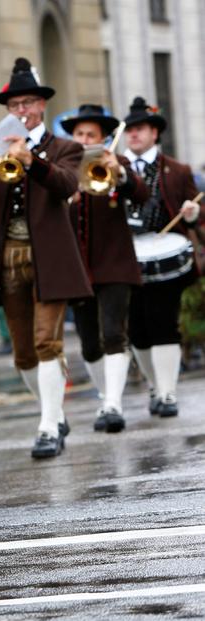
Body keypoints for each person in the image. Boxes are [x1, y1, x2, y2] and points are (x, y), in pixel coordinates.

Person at [0, 57, 91, 459]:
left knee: (47, 342)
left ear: (42, 106)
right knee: (24, 352)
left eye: (27, 104)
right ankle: (53, 412)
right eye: (14, 106)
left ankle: (47, 426)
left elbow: (65, 185)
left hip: (50, 258)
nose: (21, 111)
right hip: (7, 257)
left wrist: (32, 161)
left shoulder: (65, 147)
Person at [61, 104, 147, 432]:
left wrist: (120, 173)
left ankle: (113, 403)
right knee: (88, 342)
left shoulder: (116, 162)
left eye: (90, 135)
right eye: (80, 134)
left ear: (102, 138)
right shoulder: (64, 167)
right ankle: (103, 396)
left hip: (114, 265)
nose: (84, 139)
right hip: (78, 268)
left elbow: (140, 194)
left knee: (114, 333)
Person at [121, 97, 205, 417]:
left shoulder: (177, 170)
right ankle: (156, 385)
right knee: (137, 330)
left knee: (163, 324)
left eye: (140, 129)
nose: (133, 135)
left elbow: (197, 216)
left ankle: (168, 393)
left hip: (168, 261)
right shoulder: (115, 167)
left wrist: (193, 213)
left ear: (154, 133)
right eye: (129, 130)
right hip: (125, 259)